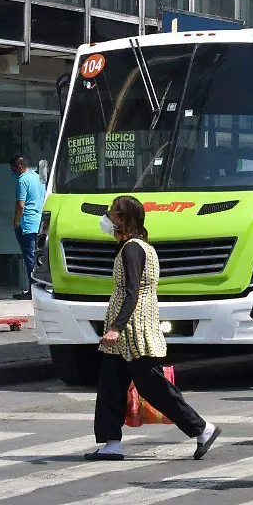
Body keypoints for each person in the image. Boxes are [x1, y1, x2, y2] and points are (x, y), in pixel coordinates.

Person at [89, 195, 221, 461]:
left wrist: (116, 328)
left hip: (133, 329)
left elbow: (131, 292)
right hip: (131, 328)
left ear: (125, 219)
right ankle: (111, 442)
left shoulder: (132, 249)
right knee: (111, 385)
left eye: (113, 213)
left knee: (152, 386)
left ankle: (202, 428)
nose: (107, 218)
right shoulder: (137, 246)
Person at [10, 155, 45, 300]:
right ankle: (40, 287)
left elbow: (20, 205)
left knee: (29, 258)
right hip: (38, 223)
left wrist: (16, 222)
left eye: (13, 169)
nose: (12, 173)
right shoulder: (38, 178)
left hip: (26, 224)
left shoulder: (22, 180)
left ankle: (33, 290)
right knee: (37, 257)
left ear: (19, 167)